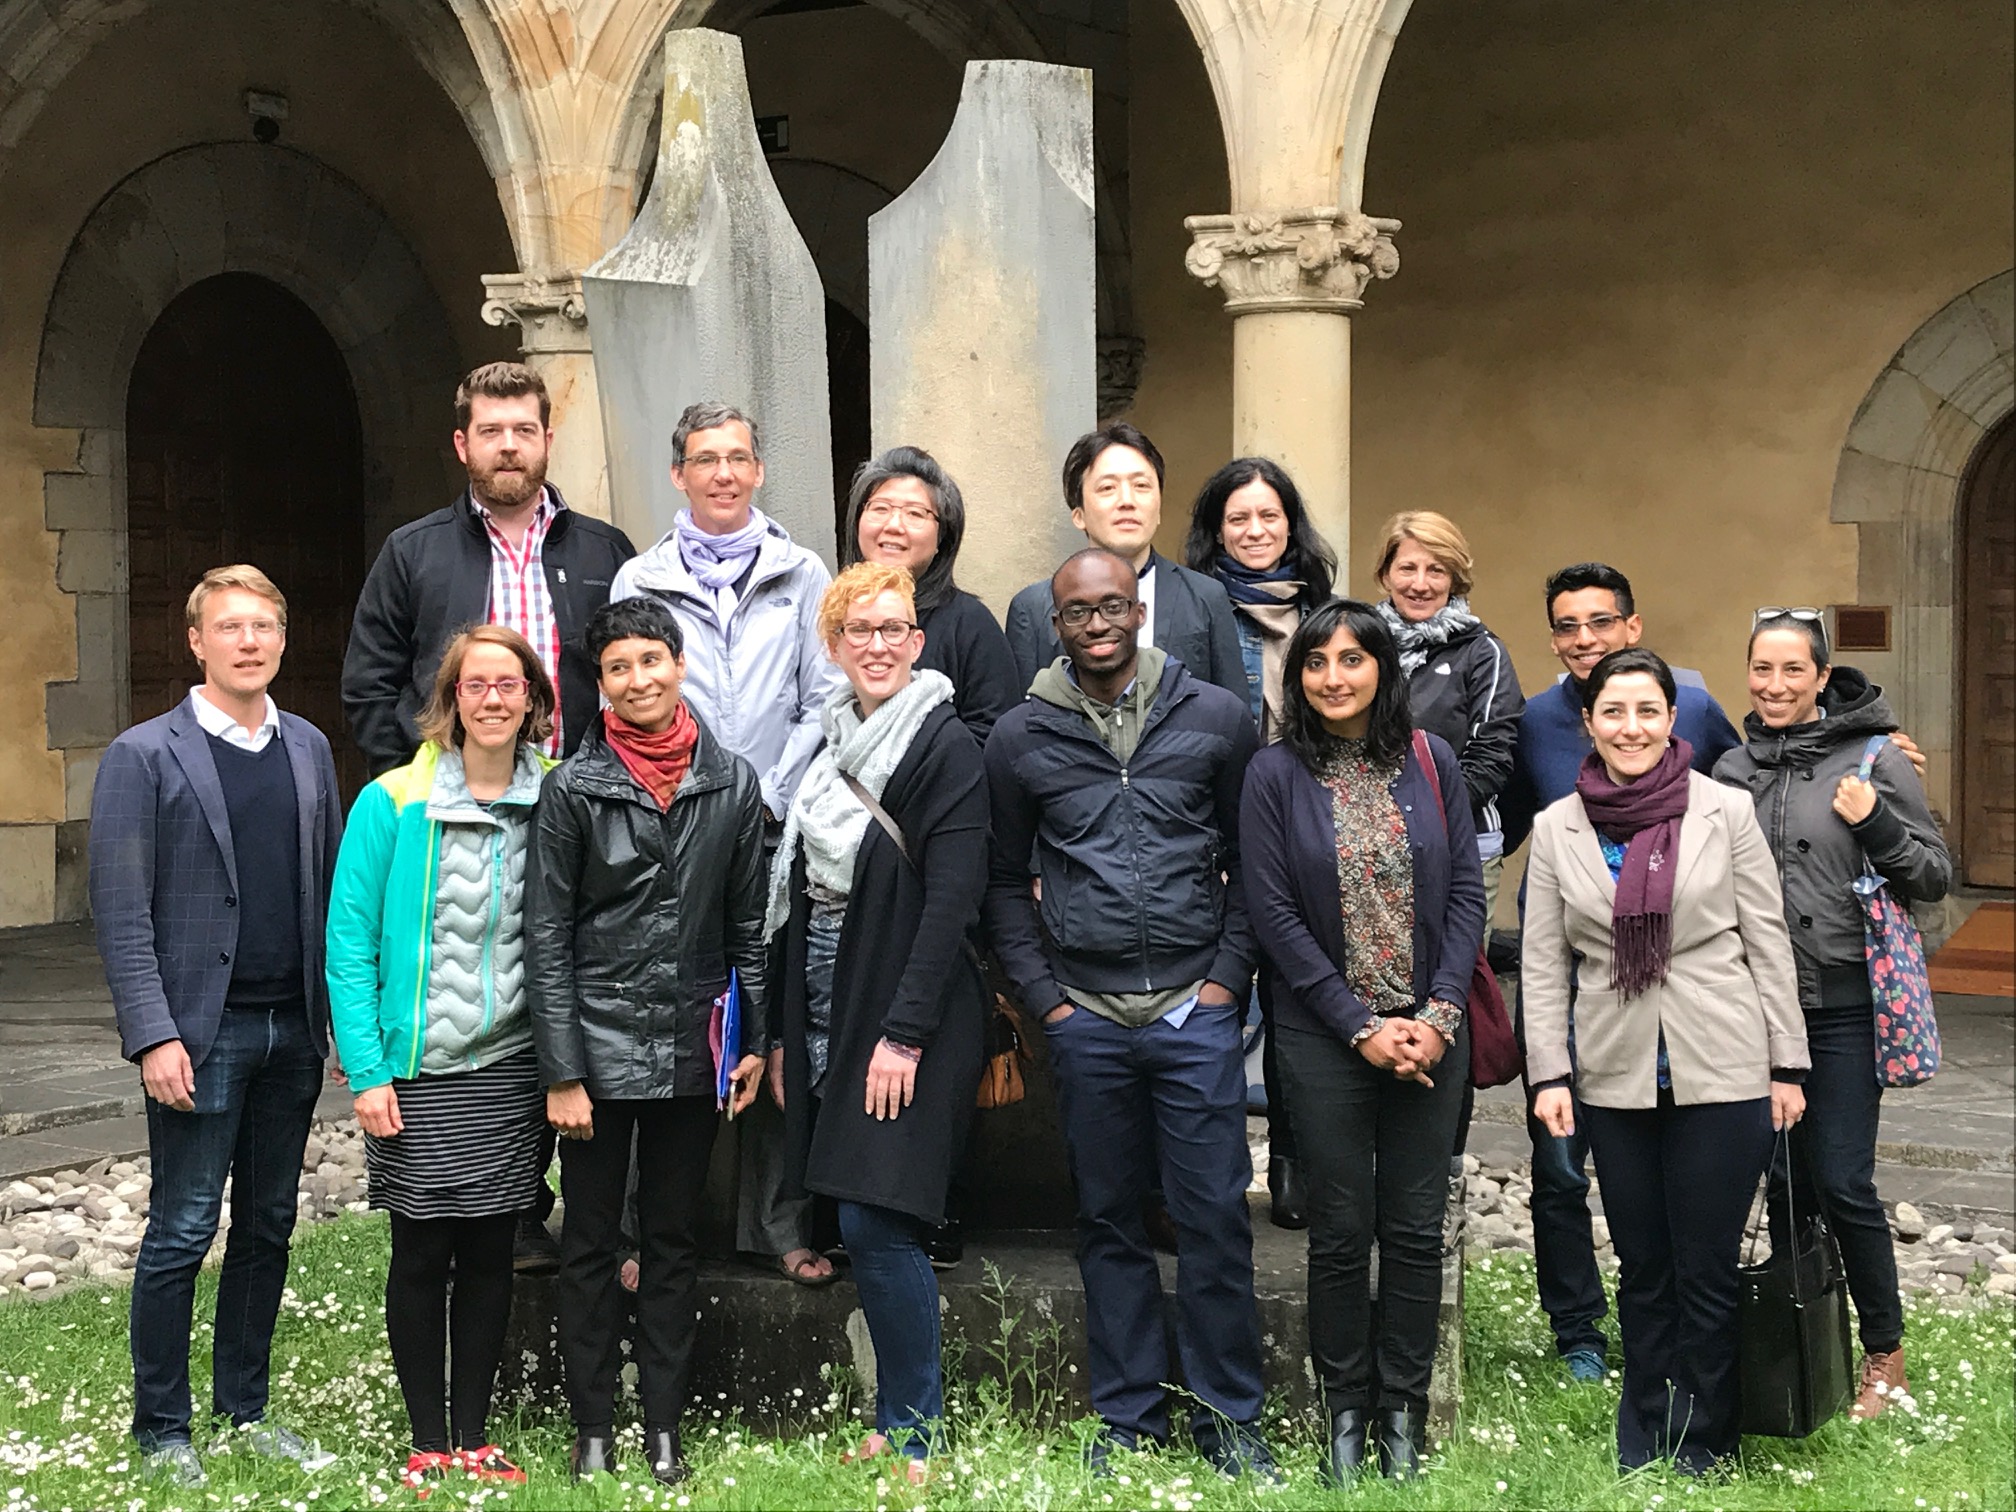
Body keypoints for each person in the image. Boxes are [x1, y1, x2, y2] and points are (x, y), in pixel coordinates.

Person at [983, 549, 1278, 1482]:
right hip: (1089, 1019)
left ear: (1138, 612)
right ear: (1055, 624)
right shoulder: (1020, 736)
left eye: (1114, 606)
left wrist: (1228, 980)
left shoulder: (1217, 719)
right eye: (1080, 612)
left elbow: (1252, 862)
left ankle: (1230, 1420)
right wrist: (1048, 1004)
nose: (1099, 623)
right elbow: (999, 883)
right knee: (1109, 1222)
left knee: (1215, 1220)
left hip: (1195, 1008)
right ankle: (1129, 1419)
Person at [342, 360, 636, 1272]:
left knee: (557, 984)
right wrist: (444, 778)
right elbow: (369, 683)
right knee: (476, 986)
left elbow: (632, 671)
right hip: (454, 810)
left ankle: (556, 1195)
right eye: (492, 431)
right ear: (463, 443)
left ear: (550, 440)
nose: (509, 445)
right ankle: (497, 1212)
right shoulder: (414, 551)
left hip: (574, 808)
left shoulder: (604, 552)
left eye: (525, 429)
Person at [1525, 647, 1809, 1475]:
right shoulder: (1556, 828)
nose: (1632, 727)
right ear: (1589, 723)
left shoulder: (1724, 812)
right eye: (1613, 712)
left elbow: (1767, 942)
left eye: (1648, 710)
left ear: (1671, 718)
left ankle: (1707, 1444)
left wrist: (1785, 1065)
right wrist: (1549, 1074)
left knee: (1707, 1269)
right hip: (1613, 1078)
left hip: (1723, 1068)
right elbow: (1544, 965)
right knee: (1644, 1267)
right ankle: (1646, 1434)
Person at [89, 565, 342, 1487]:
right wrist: (154, 1034)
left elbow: (329, 896)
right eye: (229, 627)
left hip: (291, 1034)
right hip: (202, 1036)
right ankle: (162, 1427)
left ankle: (246, 1409)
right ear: (196, 642)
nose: (248, 642)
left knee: (269, 1226)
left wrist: (339, 1023)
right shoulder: (144, 755)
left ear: (281, 640)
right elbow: (120, 912)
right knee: (182, 1229)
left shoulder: (309, 747)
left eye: (263, 627)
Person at [1239, 598, 1485, 1483]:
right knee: (1341, 1231)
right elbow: (1270, 912)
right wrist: (1359, 1025)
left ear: (1383, 667)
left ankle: (1403, 1416)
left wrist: (1438, 1014)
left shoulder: (1433, 761)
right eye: (1316, 662)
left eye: (1351, 659)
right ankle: (1345, 1412)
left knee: (1417, 1230)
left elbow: (1465, 894)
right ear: (1298, 676)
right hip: (1323, 1037)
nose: (1334, 677)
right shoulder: (1273, 774)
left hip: (1433, 1032)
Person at [527, 595, 769, 1487]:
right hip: (593, 1050)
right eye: (618, 667)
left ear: (679, 665)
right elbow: (546, 937)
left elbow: (750, 925)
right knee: (590, 1242)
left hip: (691, 1046)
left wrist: (751, 1041)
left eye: (651, 662)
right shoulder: (572, 788)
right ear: (600, 682)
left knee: (671, 1238)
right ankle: (594, 1424)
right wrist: (561, 1072)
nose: (638, 681)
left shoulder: (731, 781)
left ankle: (662, 1423)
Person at [611, 399, 845, 1286]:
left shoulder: (801, 571)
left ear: (756, 472)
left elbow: (823, 695)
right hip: (672, 817)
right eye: (705, 459)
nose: (723, 473)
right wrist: (695, 788)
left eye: (738, 458)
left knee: (772, 1014)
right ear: (679, 474)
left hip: (779, 823)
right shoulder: (641, 577)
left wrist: (766, 793)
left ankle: (778, 1225)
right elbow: (629, 690)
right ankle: (638, 1231)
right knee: (661, 1017)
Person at [766, 562, 990, 1480]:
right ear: (833, 645)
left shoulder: (945, 747)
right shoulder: (824, 744)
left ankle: (914, 1428)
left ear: (919, 641)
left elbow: (952, 904)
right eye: (860, 630)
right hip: (828, 987)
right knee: (861, 1211)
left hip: (911, 1004)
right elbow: (798, 896)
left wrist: (903, 1034)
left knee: (874, 1216)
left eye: (895, 628)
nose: (879, 645)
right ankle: (895, 1413)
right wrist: (782, 1032)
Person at [1496, 561, 1743, 1384]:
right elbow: (1483, 813)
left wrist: (1863, 748)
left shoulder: (1694, 703)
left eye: (1600, 622)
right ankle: (1578, 1331)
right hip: (1572, 964)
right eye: (1567, 626)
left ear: (1632, 628)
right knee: (1560, 1161)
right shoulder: (1532, 722)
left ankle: (1680, 1322)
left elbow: (1751, 781)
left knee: (1674, 1156)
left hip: (1680, 977)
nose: (1584, 640)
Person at [325, 626, 558, 1492]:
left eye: (510, 684)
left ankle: (476, 1434)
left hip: (511, 1070)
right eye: (475, 684)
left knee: (494, 1253)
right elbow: (348, 945)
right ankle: (428, 1439)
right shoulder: (389, 802)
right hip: (416, 1072)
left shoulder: (559, 801)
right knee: (422, 1255)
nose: (493, 699)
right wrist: (369, 1069)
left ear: (533, 699)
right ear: (450, 699)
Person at [1714, 609, 1951, 1420]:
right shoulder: (1730, 770)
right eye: (1761, 669)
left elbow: (1932, 876)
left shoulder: (1876, 759)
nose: (1774, 685)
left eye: (1792, 671)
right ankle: (1804, 1346)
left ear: (1821, 677)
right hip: (1753, 1013)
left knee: (1844, 1179)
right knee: (1785, 1187)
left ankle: (1886, 1356)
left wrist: (1874, 819)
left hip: (1844, 1008)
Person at [1183, 456, 1338, 1230]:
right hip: (1221, 829)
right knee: (1218, 1001)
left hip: (1308, 825)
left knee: (1301, 1006)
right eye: (1237, 518)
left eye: (1268, 516)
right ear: (1216, 529)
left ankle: (1296, 1170)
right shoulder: (1195, 609)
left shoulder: (1324, 612)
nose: (1254, 531)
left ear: (1290, 524)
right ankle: (1214, 1177)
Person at [1004, 423, 1245, 696]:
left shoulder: (1205, 596)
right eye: (1107, 488)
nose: (1127, 500)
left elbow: (1233, 716)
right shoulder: (1033, 607)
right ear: (1078, 514)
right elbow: (1021, 722)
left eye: (1141, 485)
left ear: (1159, 508)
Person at [1371, 510, 1524, 924]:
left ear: (1454, 579)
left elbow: (1491, 757)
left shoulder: (1482, 652)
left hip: (1463, 846)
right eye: (1407, 568)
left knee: (1456, 980)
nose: (1420, 584)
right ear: (1385, 575)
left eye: (1436, 570)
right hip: (1367, 846)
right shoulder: (1360, 645)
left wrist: (1418, 813)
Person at [841, 445, 1020, 743]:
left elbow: (996, 737)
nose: (894, 525)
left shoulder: (969, 624)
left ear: (942, 536)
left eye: (915, 513)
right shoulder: (834, 614)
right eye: (880, 509)